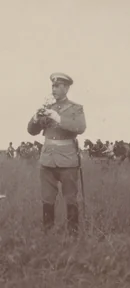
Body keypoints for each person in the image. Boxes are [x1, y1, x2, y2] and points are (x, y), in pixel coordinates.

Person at [27, 72, 87, 234]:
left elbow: (80, 127)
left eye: (58, 86)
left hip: (67, 160)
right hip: (47, 159)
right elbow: (31, 131)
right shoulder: (48, 108)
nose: (53, 88)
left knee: (70, 198)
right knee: (47, 198)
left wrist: (58, 118)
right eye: (52, 85)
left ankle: (73, 234)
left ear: (66, 88)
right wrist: (35, 117)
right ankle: (48, 234)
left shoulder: (76, 108)